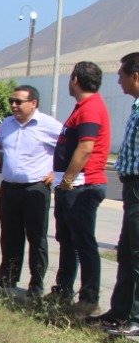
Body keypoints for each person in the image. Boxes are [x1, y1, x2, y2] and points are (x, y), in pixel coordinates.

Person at [50, 61, 111, 313]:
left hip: (83, 186)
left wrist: (67, 180)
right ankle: (63, 291)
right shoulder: (82, 107)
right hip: (73, 185)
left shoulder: (91, 108)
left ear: (75, 79)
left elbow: (86, 147)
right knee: (68, 240)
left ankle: (88, 300)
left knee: (83, 243)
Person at [0, 85, 63, 298]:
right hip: (10, 188)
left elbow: (68, 147)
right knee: (10, 235)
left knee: (36, 237)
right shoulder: (7, 123)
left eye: (18, 102)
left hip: (35, 189)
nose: (14, 105)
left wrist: (55, 173)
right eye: (11, 101)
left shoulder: (48, 125)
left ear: (34, 103)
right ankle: (7, 278)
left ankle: (36, 284)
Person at [92, 53, 139, 337]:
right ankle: (119, 310)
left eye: (121, 74)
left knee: (137, 254)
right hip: (131, 188)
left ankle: (135, 316)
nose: (118, 80)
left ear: (136, 75)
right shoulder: (136, 107)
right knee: (125, 251)